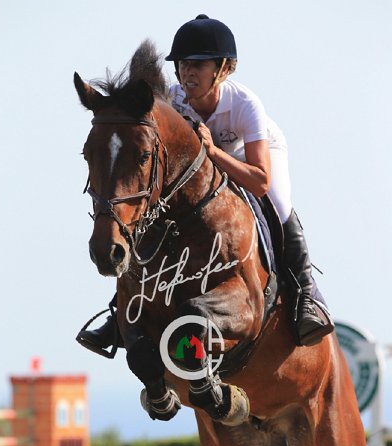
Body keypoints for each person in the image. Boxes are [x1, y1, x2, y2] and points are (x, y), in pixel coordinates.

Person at [77, 14, 334, 353]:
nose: (188, 72)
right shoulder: (171, 102)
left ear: (223, 68)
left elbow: (259, 181)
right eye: (183, 64)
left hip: (247, 155)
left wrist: (214, 152)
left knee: (279, 202)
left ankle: (306, 296)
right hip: (201, 165)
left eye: (198, 65)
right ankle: (122, 312)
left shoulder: (244, 105)